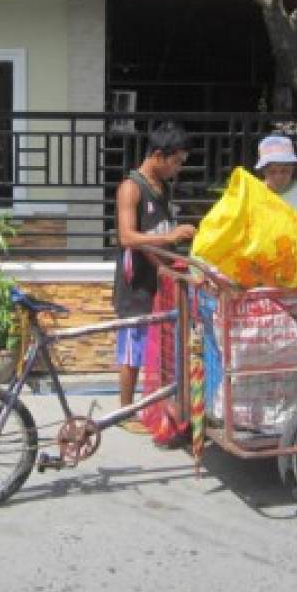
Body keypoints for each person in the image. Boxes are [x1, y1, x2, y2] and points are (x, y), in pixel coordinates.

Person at [113, 122, 196, 430]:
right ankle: (124, 412)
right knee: (132, 348)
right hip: (136, 284)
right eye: (176, 161)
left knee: (159, 345)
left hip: (159, 278)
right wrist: (170, 236)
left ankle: (157, 405)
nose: (179, 168)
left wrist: (165, 263)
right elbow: (128, 237)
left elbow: (153, 233)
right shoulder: (131, 187)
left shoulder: (163, 188)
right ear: (160, 155)